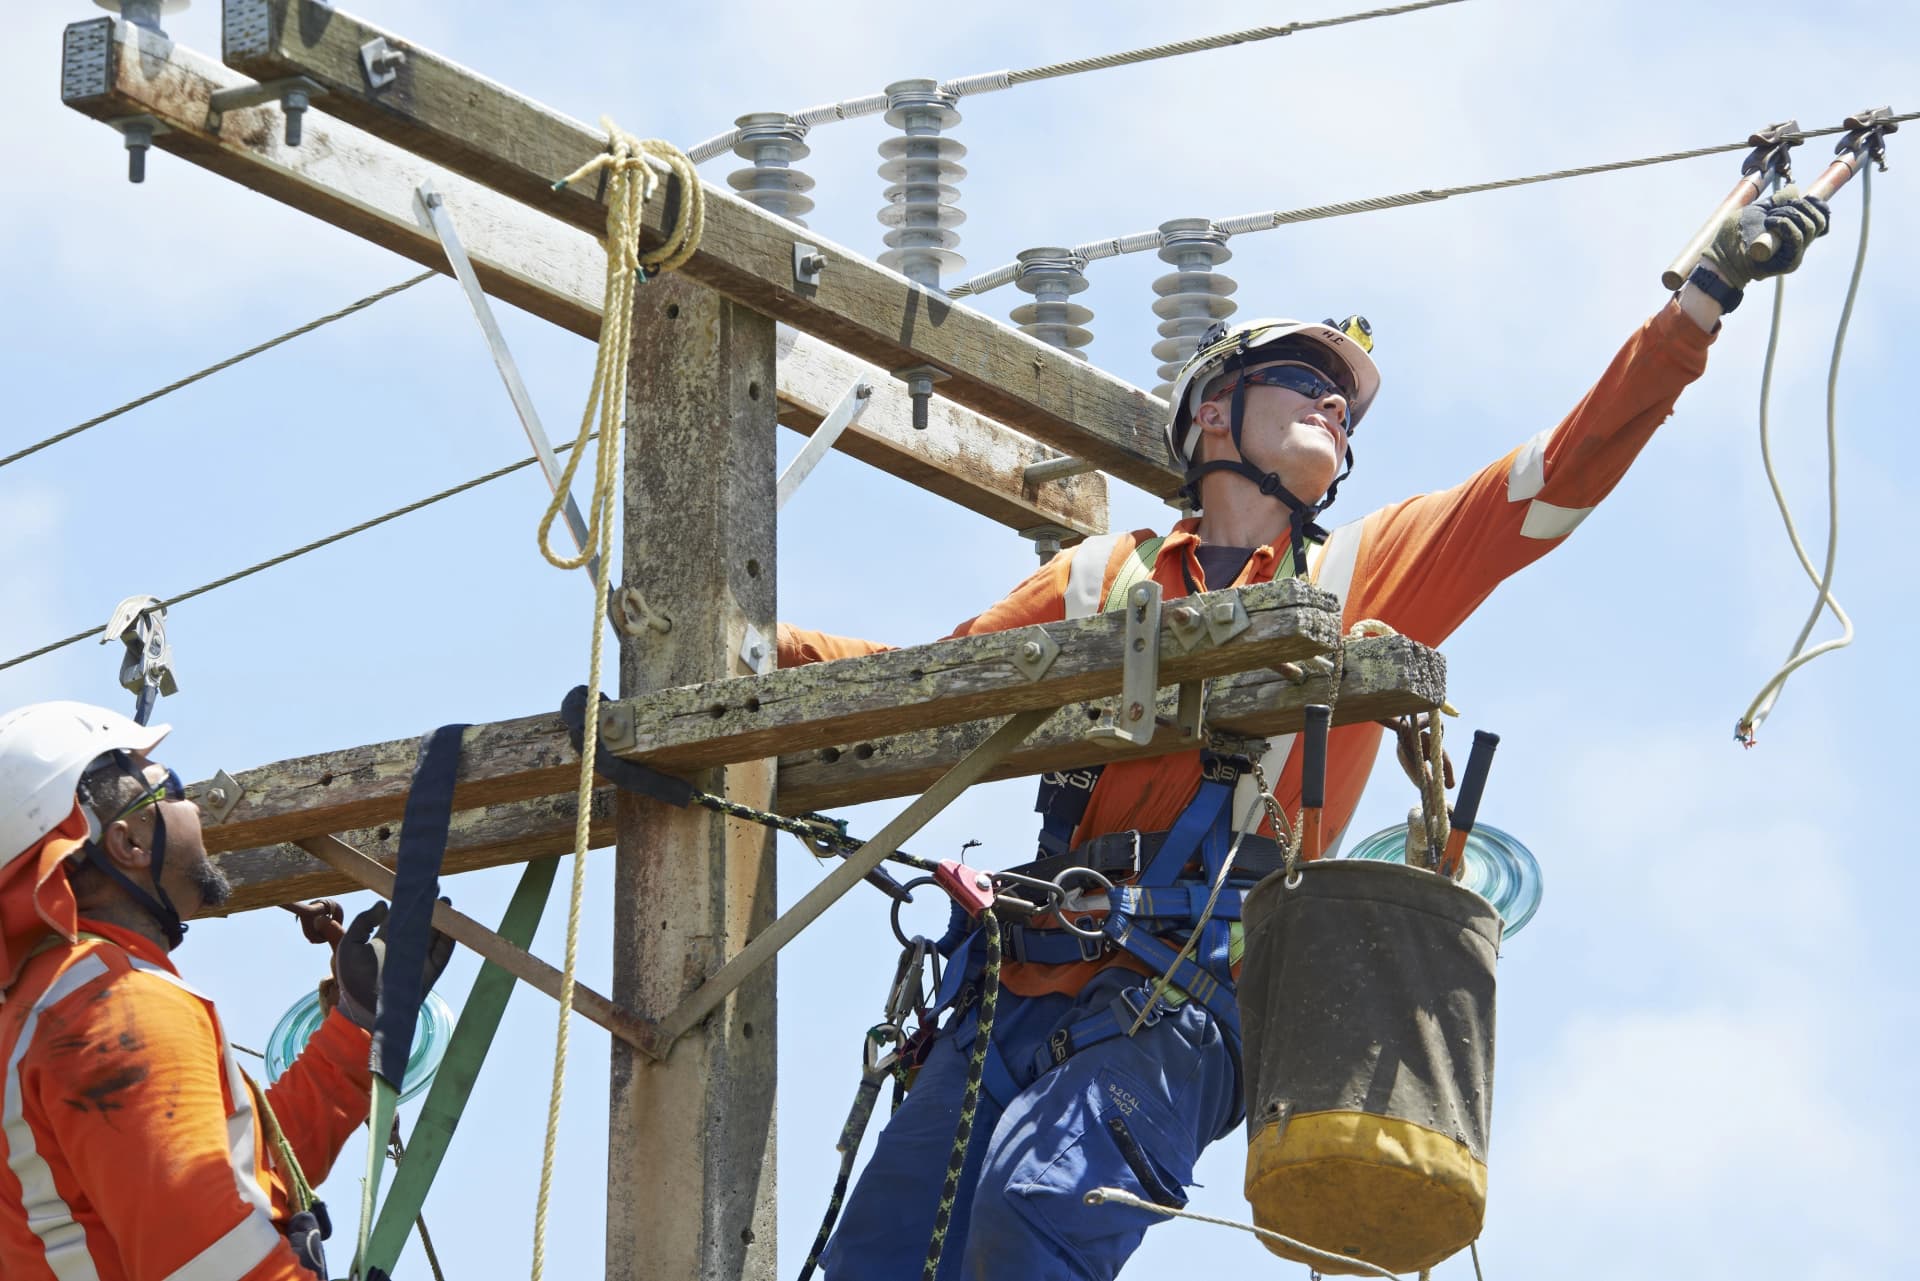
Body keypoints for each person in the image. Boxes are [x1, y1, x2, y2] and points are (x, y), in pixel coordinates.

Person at [781, 188, 1834, 1280]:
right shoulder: (1102, 577)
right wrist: (753, 653)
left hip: (1186, 999)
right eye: (1305, 382)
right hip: (1021, 977)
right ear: (1214, 418)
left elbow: (1554, 478)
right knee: (882, 1259)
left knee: (1040, 1205)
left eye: (1345, 400)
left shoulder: (1363, 575)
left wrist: (1696, 308)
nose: (1334, 405)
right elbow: (928, 686)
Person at [0, 701, 452, 1281]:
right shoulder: (116, 1009)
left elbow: (245, 1175)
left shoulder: (52, 1003)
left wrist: (357, 1023)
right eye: (175, 789)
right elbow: (209, 1258)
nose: (194, 809)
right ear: (129, 843)